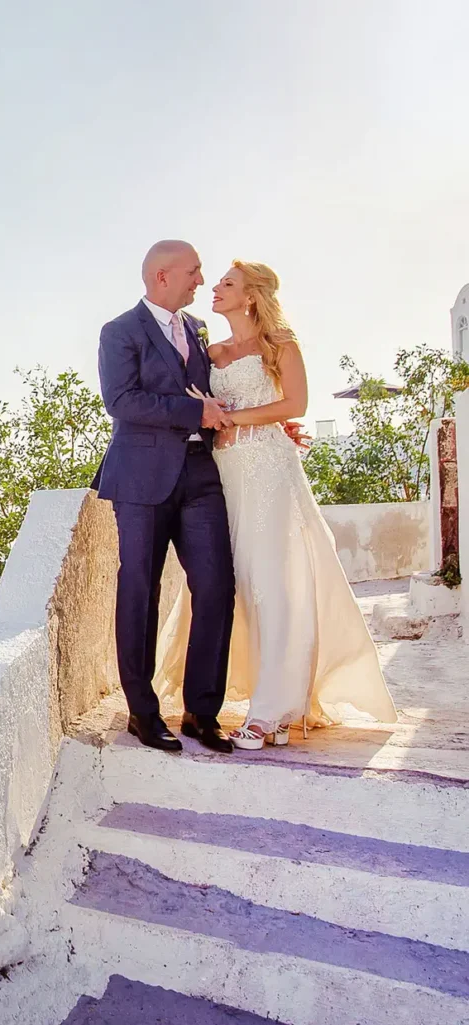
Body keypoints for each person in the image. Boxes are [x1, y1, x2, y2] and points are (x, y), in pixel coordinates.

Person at [154, 261, 397, 748]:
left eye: (226, 284)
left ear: (250, 296)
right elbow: (193, 406)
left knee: (272, 585)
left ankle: (269, 712)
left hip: (267, 472)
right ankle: (280, 706)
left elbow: (295, 405)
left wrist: (238, 417)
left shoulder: (279, 345)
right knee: (235, 588)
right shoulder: (207, 349)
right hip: (219, 475)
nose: (213, 289)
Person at [94, 240, 238, 753]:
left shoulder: (197, 330)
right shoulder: (119, 332)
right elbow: (122, 400)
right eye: (194, 271)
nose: (201, 280)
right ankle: (143, 712)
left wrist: (262, 421)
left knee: (218, 585)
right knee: (139, 590)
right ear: (162, 276)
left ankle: (203, 711)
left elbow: (214, 392)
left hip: (201, 473)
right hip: (140, 479)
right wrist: (193, 413)